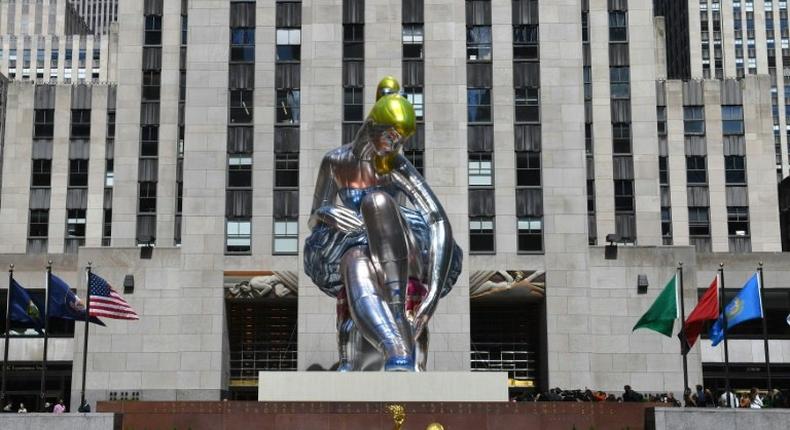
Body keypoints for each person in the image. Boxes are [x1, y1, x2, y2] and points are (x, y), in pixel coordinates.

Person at [304, 83, 461, 372]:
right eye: (392, 136)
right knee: (354, 261)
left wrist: (433, 296)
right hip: (355, 246)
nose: (395, 145)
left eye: (400, 140)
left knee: (377, 201)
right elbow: (313, 217)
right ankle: (395, 347)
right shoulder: (335, 162)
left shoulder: (395, 165)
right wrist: (330, 213)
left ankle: (398, 312)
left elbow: (437, 219)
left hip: (401, 247)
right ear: (373, 125)